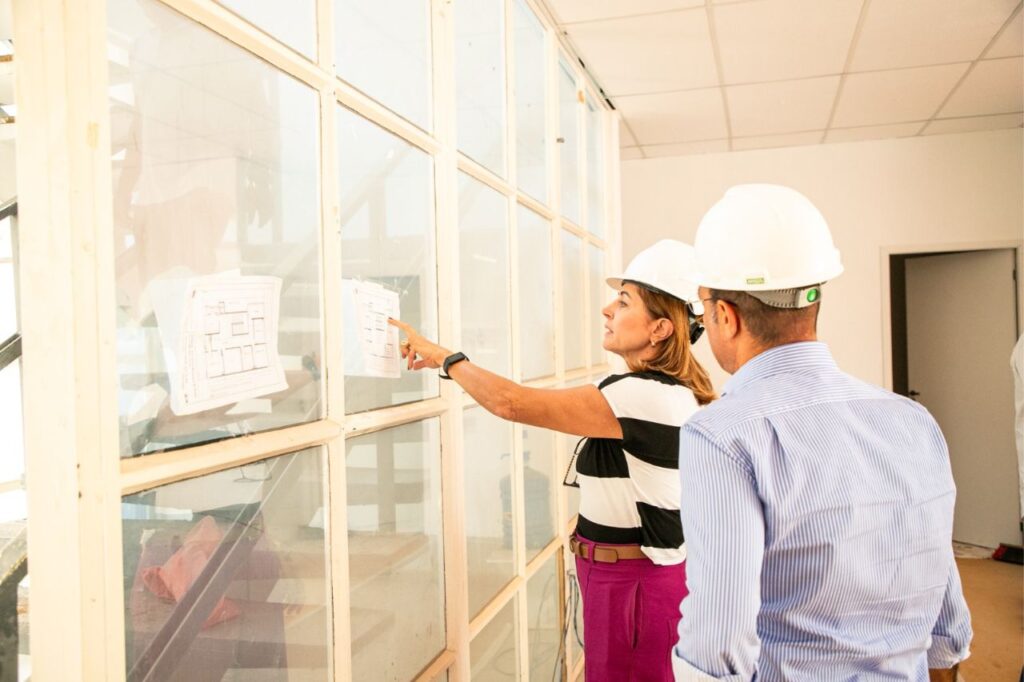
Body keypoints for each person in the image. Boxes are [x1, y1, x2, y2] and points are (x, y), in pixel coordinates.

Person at [672, 184, 973, 682]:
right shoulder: (911, 419)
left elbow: (719, 640)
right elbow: (943, 602)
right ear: (813, 299)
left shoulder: (723, 435)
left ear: (725, 316)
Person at [390, 239, 715, 682]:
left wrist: (446, 358)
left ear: (660, 329)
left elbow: (511, 403)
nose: (607, 310)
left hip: (632, 586)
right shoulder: (657, 390)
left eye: (623, 301)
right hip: (622, 579)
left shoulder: (642, 395)